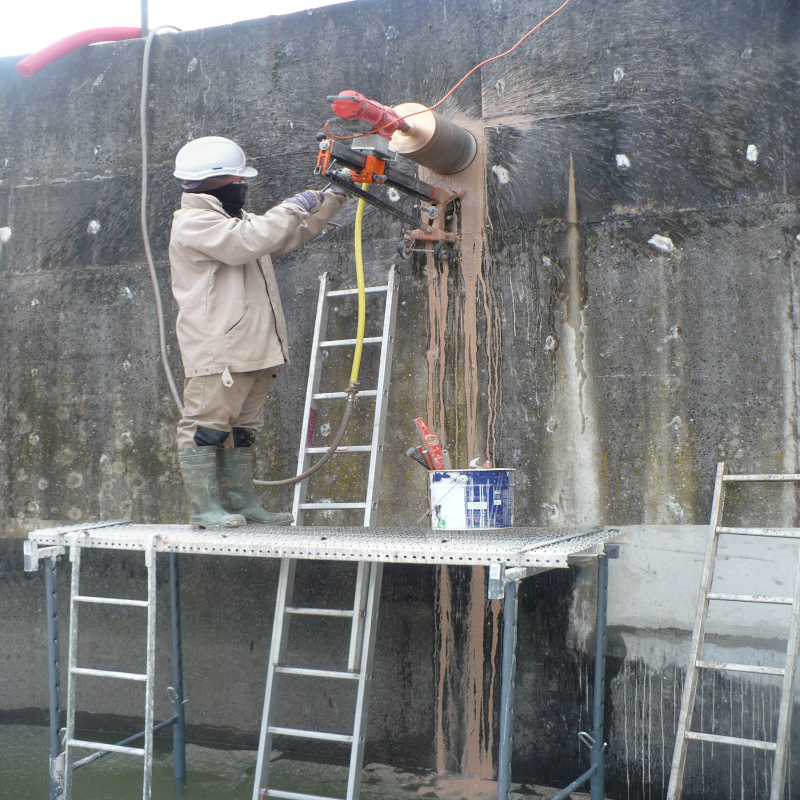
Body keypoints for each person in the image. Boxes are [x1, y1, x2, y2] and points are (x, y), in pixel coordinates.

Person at [169, 136, 346, 528]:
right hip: (219, 351)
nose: (242, 183)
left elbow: (284, 234)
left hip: (254, 349)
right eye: (237, 177)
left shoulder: (232, 221)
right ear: (214, 181)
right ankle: (205, 509)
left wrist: (333, 196)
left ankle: (240, 502)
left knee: (243, 431)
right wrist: (290, 206)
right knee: (205, 429)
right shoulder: (195, 223)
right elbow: (251, 241)